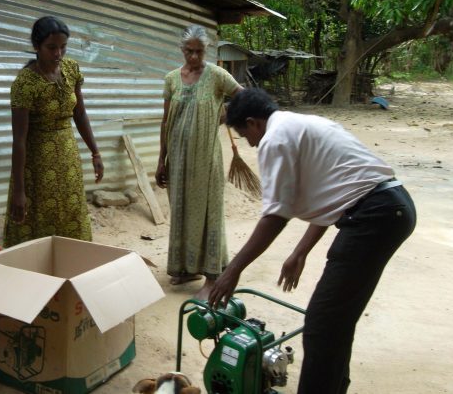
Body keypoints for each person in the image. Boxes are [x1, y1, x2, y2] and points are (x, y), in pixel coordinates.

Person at [208, 88, 417, 394]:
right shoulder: (300, 124)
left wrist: (232, 271)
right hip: (390, 207)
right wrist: (300, 252)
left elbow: (276, 215)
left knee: (322, 324)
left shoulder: (275, 139)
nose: (249, 143)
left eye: (243, 134)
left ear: (253, 123)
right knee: (335, 322)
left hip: (374, 215)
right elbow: (334, 196)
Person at [155, 25, 242, 300]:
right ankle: (185, 268)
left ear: (206, 51)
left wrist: (224, 114)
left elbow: (244, 96)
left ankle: (213, 275)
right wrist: (161, 159)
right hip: (178, 158)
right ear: (182, 51)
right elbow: (166, 121)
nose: (194, 57)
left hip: (206, 158)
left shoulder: (217, 76)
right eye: (189, 51)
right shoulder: (171, 79)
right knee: (181, 209)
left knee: (207, 211)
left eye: (199, 51)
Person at [4, 16, 104, 246]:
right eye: (52, 48)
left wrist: (95, 153)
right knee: (39, 218)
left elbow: (80, 114)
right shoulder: (25, 84)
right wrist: (19, 191)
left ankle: (70, 265)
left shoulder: (71, 69)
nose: (58, 54)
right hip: (36, 166)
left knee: (70, 211)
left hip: (68, 161)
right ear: (36, 47)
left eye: (63, 47)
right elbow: (19, 140)